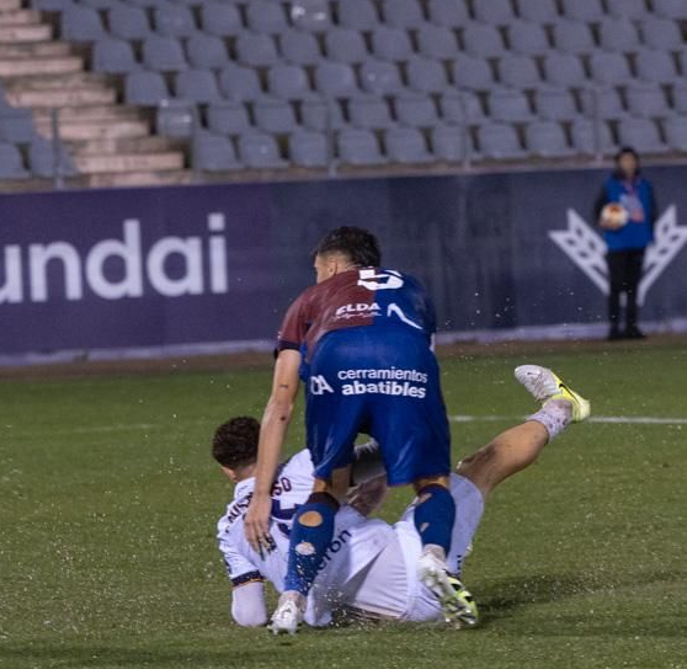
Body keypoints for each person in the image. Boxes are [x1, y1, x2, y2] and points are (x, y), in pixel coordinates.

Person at [212, 366, 589, 629]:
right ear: (269, 447)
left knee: (332, 593)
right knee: (478, 466)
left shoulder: (229, 528)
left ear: (227, 471)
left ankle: (390, 594)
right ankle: (562, 405)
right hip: (405, 562)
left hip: (380, 611)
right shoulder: (305, 463)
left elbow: (250, 615)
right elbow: (390, 454)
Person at [243, 226, 471, 636]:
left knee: (326, 489)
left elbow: (281, 403)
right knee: (432, 479)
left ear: (331, 265)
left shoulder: (310, 299)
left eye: (316, 270)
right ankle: (434, 556)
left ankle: (292, 598)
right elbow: (420, 361)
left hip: (336, 358)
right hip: (405, 358)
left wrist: (261, 496)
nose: (315, 278)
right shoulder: (413, 288)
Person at [595, 147, 658, 340]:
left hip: (638, 242)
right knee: (616, 286)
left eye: (631, 160)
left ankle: (632, 327)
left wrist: (649, 233)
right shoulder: (610, 186)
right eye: (624, 160)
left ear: (636, 163)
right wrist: (605, 221)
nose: (629, 164)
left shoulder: (644, 185)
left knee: (633, 287)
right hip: (617, 243)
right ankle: (614, 328)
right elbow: (597, 211)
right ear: (618, 163)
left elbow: (653, 211)